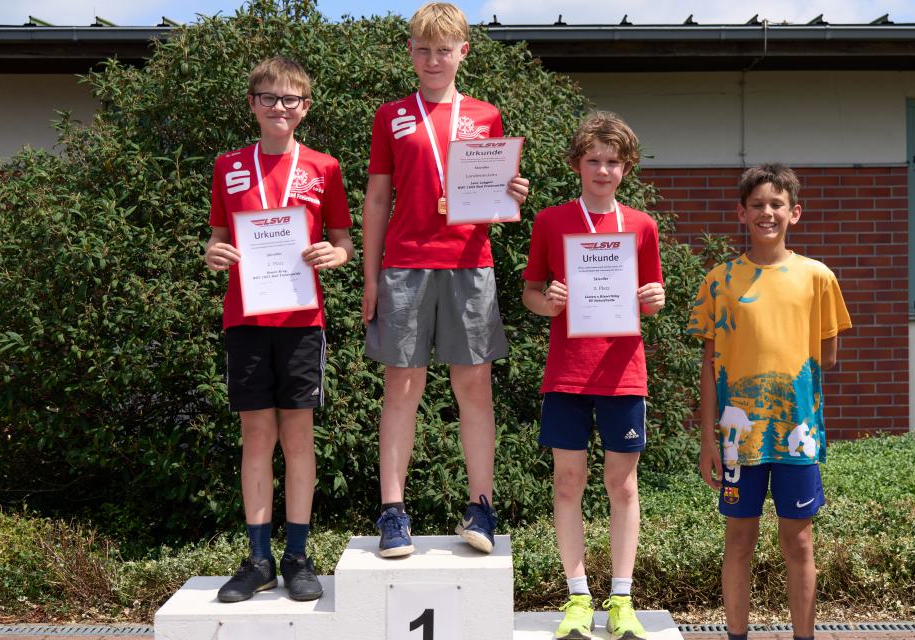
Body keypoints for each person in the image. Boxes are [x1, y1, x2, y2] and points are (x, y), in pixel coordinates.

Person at [362, 1, 529, 558]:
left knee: (474, 387)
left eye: (443, 50)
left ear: (463, 52)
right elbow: (377, 198)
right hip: (405, 264)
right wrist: (370, 277)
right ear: (410, 52)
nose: (433, 60)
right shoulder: (391, 115)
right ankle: (393, 511)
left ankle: (481, 507)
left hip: (468, 262)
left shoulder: (486, 115)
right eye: (423, 49)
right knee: (402, 387)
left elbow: (493, 197)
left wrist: (511, 195)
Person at [204, 56, 354, 602]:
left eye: (290, 99)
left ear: (305, 108)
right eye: (268, 98)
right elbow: (217, 237)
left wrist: (334, 255)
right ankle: (258, 559)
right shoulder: (228, 166)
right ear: (253, 104)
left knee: (297, 439)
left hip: (300, 321)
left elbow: (343, 241)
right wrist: (212, 253)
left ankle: (297, 556)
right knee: (256, 437)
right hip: (245, 319)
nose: (279, 107)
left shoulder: (324, 168)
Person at [689, 163, 851, 640]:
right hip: (737, 437)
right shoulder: (719, 280)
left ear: (794, 212)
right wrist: (707, 440)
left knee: (798, 542)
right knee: (739, 540)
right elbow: (708, 365)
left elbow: (828, 355)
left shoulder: (818, 277)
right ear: (741, 213)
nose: (767, 213)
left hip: (798, 433)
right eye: (757, 204)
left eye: (777, 204)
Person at [522, 111, 665, 640]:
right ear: (577, 164)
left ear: (626, 168)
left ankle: (622, 599)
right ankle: (578, 597)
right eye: (593, 160)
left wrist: (655, 299)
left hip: (623, 373)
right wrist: (548, 302)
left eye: (612, 161)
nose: (603, 170)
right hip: (567, 373)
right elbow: (531, 293)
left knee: (622, 485)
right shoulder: (550, 221)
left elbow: (652, 296)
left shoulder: (642, 226)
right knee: (567, 483)